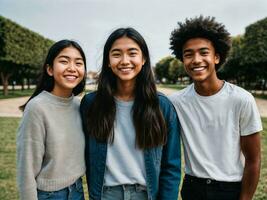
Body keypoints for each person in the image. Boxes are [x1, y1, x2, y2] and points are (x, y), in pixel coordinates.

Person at [80, 27, 181, 200]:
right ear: (108, 61)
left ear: (143, 59)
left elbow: (171, 166)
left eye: (132, 53)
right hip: (106, 194)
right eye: (117, 54)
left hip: (145, 194)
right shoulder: (91, 104)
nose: (125, 60)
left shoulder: (162, 106)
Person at [169, 16, 262, 200]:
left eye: (204, 52)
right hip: (192, 188)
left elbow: (253, 160)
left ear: (217, 57)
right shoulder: (176, 102)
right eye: (188, 54)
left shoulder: (242, 99)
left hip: (230, 190)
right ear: (182, 60)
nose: (196, 60)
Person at [17, 40, 87, 200]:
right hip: (50, 195)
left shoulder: (79, 105)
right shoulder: (37, 108)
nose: (72, 68)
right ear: (49, 69)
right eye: (64, 61)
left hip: (77, 190)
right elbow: (26, 167)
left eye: (79, 63)